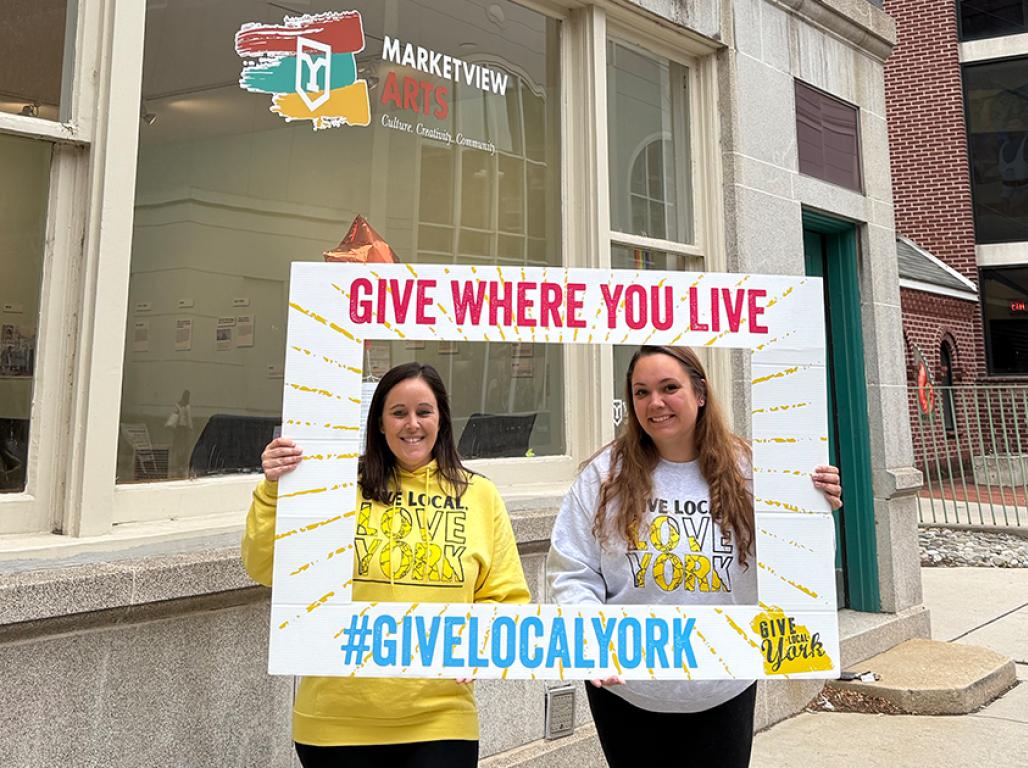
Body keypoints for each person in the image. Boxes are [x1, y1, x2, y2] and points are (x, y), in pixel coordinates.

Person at [546, 346, 842, 768]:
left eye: (670, 388)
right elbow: (572, 568)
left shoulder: (755, 470)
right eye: (641, 392)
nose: (656, 403)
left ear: (700, 392)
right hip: (626, 688)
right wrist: (589, 635)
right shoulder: (603, 475)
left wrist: (813, 509)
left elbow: (800, 567)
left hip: (723, 685)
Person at [242, 362, 530, 768]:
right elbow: (265, 567)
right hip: (334, 719)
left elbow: (507, 598)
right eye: (398, 413)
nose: (412, 424)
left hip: (441, 719)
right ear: (379, 423)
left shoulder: (479, 495)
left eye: (423, 412)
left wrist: (480, 642)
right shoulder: (334, 486)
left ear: (441, 420)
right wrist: (275, 491)